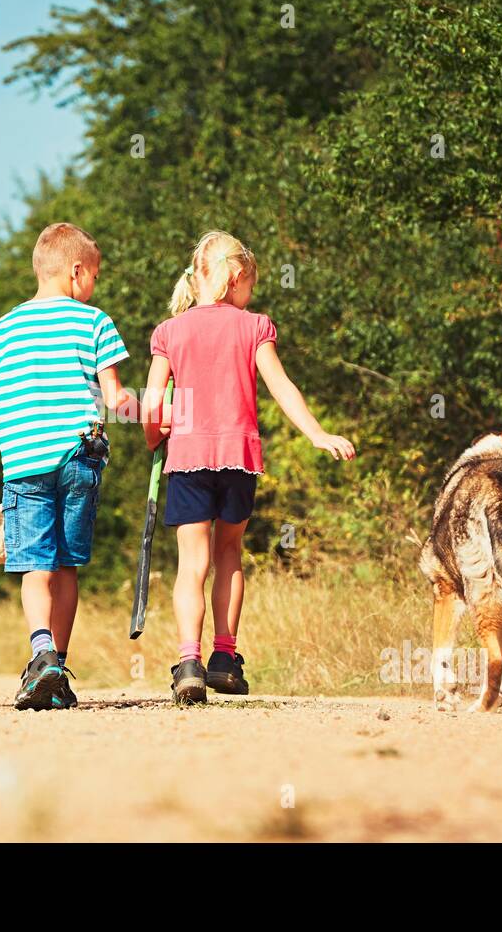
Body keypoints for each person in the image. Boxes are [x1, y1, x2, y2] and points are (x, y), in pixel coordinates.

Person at [141, 230, 355, 704]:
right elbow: (281, 386)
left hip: (189, 459)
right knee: (229, 555)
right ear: (236, 277)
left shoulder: (169, 332)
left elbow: (152, 404)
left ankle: (189, 661)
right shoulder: (254, 326)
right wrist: (317, 434)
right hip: (238, 458)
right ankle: (225, 657)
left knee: (191, 564)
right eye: (249, 286)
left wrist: (155, 438)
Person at [0, 222, 135, 710]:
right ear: (77, 271)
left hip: (23, 461)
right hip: (79, 457)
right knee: (66, 566)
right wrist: (154, 410)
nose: (94, 287)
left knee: (34, 568)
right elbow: (115, 398)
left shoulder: (6, 326)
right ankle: (56, 664)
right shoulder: (94, 321)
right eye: (95, 277)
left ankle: (42, 657)